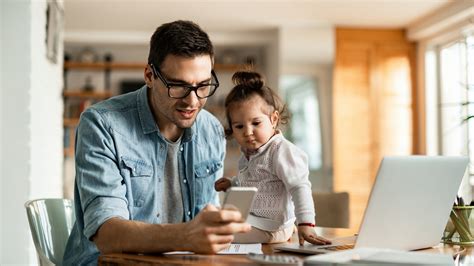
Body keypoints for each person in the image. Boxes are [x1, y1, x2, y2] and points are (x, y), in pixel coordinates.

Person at [63, 20, 250, 265]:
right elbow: (106, 234)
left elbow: (207, 217)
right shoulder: (101, 124)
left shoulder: (212, 129)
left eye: (203, 86)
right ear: (150, 76)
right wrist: (187, 236)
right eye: (178, 86)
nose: (192, 101)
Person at [214, 71, 332, 245]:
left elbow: (300, 187)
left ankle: (285, 231)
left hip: (271, 227)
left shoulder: (281, 151)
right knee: (214, 220)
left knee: (220, 235)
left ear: (274, 119)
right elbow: (255, 184)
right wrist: (233, 184)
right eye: (239, 126)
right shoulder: (248, 153)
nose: (247, 132)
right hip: (256, 220)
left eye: (256, 123)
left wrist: (305, 224)